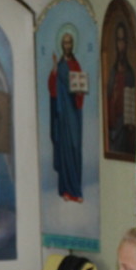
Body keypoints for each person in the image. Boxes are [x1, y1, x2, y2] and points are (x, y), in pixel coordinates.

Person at [49, 31, 85, 201]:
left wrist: (79, 92)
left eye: (70, 43)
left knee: (74, 148)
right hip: (62, 115)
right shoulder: (60, 65)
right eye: (65, 43)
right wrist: (55, 71)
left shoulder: (76, 65)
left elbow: (81, 87)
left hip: (73, 113)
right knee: (64, 149)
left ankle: (76, 190)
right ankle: (65, 190)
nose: (67, 46)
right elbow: (52, 89)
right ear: (62, 45)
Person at [105, 22, 136, 155]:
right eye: (118, 41)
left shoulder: (130, 72)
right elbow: (108, 95)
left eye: (123, 40)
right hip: (113, 122)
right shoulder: (112, 71)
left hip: (124, 124)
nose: (121, 45)